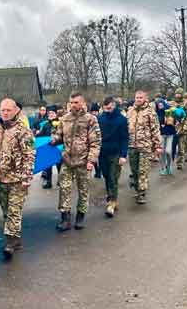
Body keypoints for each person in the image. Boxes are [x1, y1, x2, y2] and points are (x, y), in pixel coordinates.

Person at [0, 98, 35, 258]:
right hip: (0, 178)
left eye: (8, 110)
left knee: (14, 211)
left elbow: (29, 155)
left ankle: (10, 243)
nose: (5, 113)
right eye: (3, 110)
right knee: (6, 211)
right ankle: (15, 238)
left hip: (17, 179)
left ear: (15, 111)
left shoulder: (23, 131)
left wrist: (27, 177)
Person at [50, 92, 101, 231]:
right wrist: (54, 140)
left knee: (83, 190)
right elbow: (59, 135)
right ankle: (65, 218)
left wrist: (91, 160)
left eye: (76, 102)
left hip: (83, 161)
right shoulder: (64, 119)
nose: (73, 105)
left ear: (82, 103)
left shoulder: (90, 119)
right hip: (67, 160)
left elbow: (95, 142)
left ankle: (80, 216)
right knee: (64, 188)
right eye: (71, 102)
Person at [126, 90, 162, 203]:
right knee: (134, 170)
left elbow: (155, 129)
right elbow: (126, 127)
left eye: (141, 98)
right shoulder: (130, 111)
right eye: (137, 97)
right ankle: (137, 189)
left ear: (145, 98)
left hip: (145, 146)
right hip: (132, 145)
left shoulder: (150, 112)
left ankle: (142, 193)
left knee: (143, 171)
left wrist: (157, 146)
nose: (138, 100)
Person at [98, 96, 128, 217]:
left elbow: (125, 138)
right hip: (102, 153)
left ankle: (112, 202)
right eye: (105, 108)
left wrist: (123, 155)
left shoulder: (121, 120)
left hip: (116, 153)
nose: (108, 110)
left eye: (110, 108)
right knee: (106, 176)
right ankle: (111, 196)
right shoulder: (100, 118)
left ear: (114, 106)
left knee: (113, 178)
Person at [36, 107, 59, 188]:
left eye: (52, 113)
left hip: (58, 148)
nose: (51, 115)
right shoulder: (46, 124)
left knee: (59, 165)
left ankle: (60, 180)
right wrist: (35, 135)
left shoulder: (60, 123)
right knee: (48, 166)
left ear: (56, 114)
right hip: (48, 148)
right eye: (49, 113)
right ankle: (49, 182)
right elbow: (41, 134)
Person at [157, 100, 177, 175]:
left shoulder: (170, 112)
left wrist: (172, 121)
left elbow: (176, 121)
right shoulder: (157, 113)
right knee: (161, 152)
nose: (160, 107)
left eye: (161, 105)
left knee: (168, 151)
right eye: (159, 105)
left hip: (170, 134)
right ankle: (163, 168)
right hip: (161, 134)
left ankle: (169, 166)